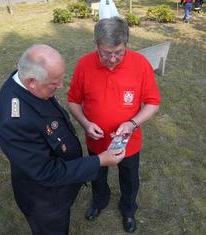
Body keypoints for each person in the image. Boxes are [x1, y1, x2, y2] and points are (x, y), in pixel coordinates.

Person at [0, 44, 125, 235]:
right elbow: (47, 172)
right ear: (31, 82)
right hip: (45, 201)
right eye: (54, 83)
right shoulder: (14, 122)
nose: (61, 86)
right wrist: (100, 160)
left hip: (59, 187)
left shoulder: (28, 81)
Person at [68, 17, 161, 233]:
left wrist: (132, 123)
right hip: (96, 140)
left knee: (129, 179)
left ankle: (128, 210)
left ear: (126, 43)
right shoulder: (84, 64)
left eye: (118, 52)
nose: (111, 59)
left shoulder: (140, 64)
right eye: (105, 53)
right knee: (97, 175)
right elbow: (73, 101)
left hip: (129, 143)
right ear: (96, 45)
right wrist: (85, 123)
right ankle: (99, 202)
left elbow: (153, 103)